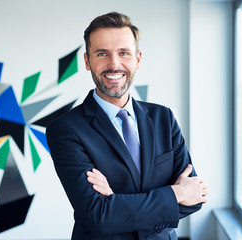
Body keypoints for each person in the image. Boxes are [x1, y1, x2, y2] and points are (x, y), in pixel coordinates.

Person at [46, 12, 208, 240]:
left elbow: (196, 198)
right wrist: (176, 193)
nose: (114, 64)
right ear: (87, 61)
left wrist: (118, 204)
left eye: (124, 53)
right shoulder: (65, 130)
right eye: (102, 53)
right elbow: (99, 216)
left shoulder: (164, 117)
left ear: (138, 59)